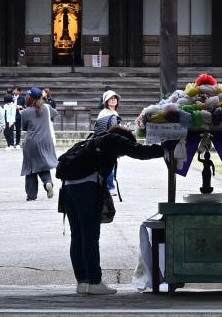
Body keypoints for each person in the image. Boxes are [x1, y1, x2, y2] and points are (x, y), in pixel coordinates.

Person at [59, 127, 165, 295]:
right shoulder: (114, 139)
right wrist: (166, 149)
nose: (120, 156)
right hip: (87, 186)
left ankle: (82, 281)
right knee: (90, 236)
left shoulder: (93, 139)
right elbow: (140, 152)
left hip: (68, 187)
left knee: (77, 236)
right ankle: (94, 281)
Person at [20, 87, 58, 200]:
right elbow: (54, 114)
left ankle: (31, 195)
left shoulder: (26, 112)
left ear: (29, 98)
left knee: (30, 167)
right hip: (47, 140)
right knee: (43, 164)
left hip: (32, 141)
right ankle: (47, 182)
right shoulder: (47, 107)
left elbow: (24, 127)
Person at [94, 90, 123, 192]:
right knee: (109, 164)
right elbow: (102, 128)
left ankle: (108, 186)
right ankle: (109, 187)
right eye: (111, 98)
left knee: (112, 164)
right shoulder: (104, 113)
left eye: (115, 98)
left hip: (112, 141)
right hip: (106, 142)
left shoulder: (114, 112)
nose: (113, 100)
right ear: (106, 101)